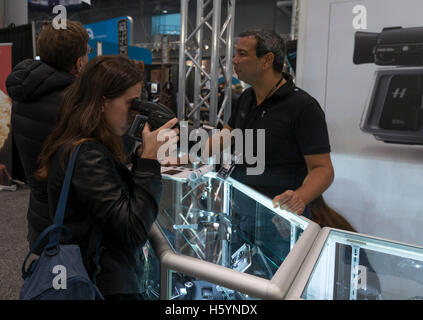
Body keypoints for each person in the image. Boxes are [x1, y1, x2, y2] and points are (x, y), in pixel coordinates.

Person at [34, 55, 178, 300]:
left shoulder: (83, 146)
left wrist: (140, 159)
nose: (134, 114)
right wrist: (149, 162)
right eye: (130, 104)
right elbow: (132, 230)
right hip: (101, 285)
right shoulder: (87, 156)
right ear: (102, 103)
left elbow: (112, 206)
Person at [6, 20, 89, 251]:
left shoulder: (26, 93)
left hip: (41, 213)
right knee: (74, 283)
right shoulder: (75, 104)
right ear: (78, 61)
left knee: (49, 279)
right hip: (71, 221)